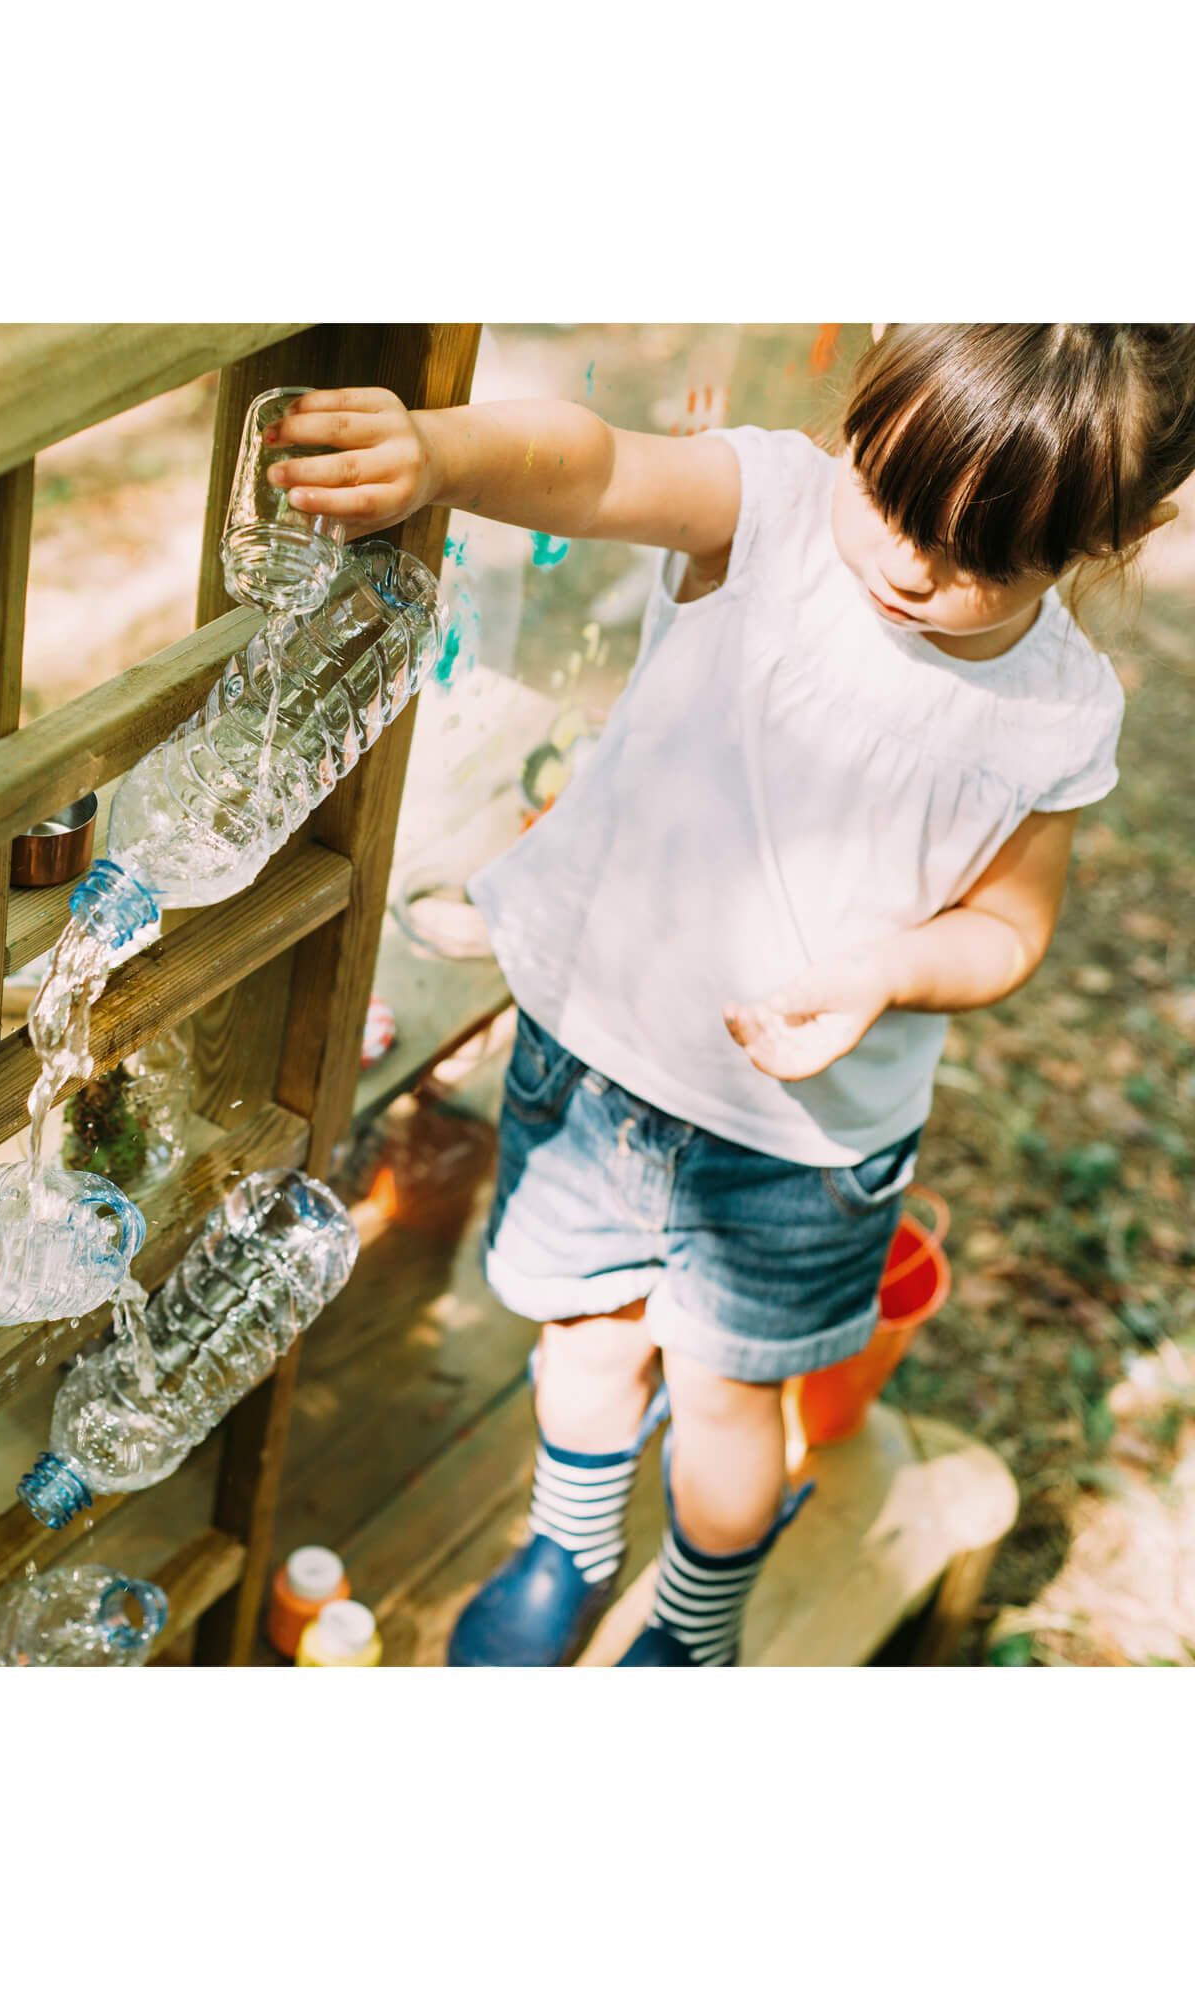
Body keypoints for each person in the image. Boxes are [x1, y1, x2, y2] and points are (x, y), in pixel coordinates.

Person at [262, 326, 1195, 1665]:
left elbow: (1007, 928)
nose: (912, 566)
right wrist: (438, 454)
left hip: (801, 1153)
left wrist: (889, 970)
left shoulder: (1056, 712)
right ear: (869, 398)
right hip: (597, 1056)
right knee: (583, 1347)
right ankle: (569, 1545)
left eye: (984, 556)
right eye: (890, 494)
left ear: (1120, 530)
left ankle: (697, 1622)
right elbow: (588, 470)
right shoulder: (768, 514)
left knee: (724, 1408)